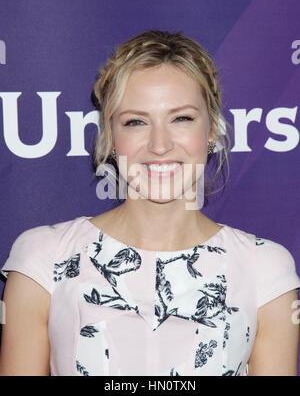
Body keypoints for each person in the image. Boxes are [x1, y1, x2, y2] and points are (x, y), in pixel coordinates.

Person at [0, 30, 300, 376]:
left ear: (212, 130)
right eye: (136, 122)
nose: (160, 144)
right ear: (111, 137)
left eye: (182, 118)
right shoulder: (44, 259)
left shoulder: (265, 268)